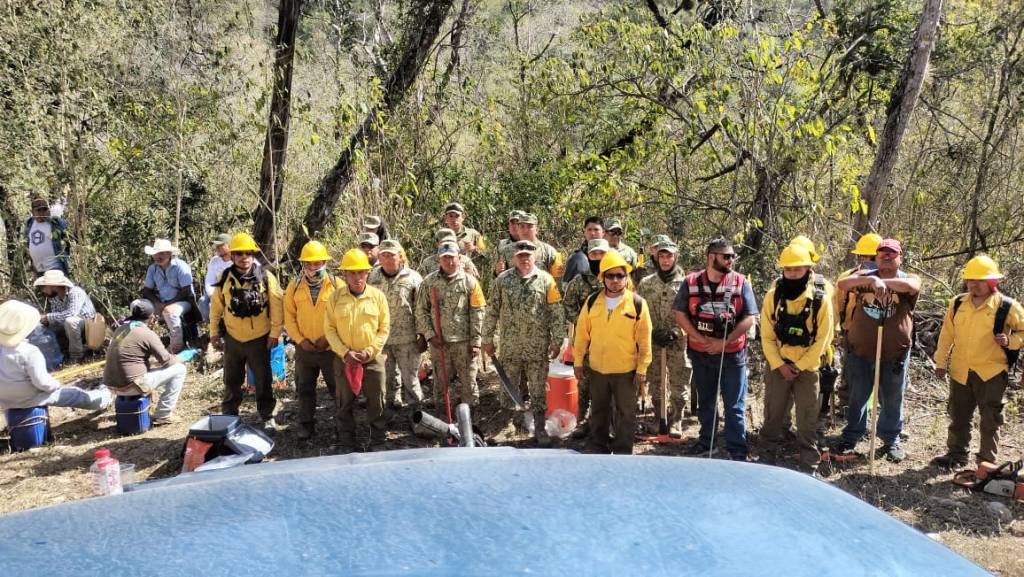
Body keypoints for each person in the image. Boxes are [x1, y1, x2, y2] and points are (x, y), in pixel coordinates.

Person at [931, 255, 1024, 468]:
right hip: (960, 370)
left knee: (990, 419)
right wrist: (940, 362)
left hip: (991, 372)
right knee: (958, 417)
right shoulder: (957, 303)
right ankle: (956, 455)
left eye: (980, 280)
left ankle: (986, 463)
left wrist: (1010, 340)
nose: (974, 284)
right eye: (971, 279)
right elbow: (947, 335)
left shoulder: (1007, 306)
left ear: (992, 282)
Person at [832, 239, 920, 462]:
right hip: (860, 351)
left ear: (900, 258)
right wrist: (872, 280)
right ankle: (851, 438)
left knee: (892, 399)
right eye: (882, 255)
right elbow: (842, 284)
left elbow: (912, 287)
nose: (887, 258)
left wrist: (885, 284)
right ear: (876, 257)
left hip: (895, 353)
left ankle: (891, 441)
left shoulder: (908, 279)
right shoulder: (864, 278)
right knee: (857, 396)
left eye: (892, 255)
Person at [673, 238, 759, 460]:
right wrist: (698, 338)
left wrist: (725, 341)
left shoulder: (741, 283)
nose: (730, 260)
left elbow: (750, 317)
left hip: (732, 355)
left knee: (734, 405)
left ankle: (737, 449)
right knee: (706, 401)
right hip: (701, 354)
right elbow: (680, 313)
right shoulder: (690, 282)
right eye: (726, 256)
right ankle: (707, 443)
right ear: (711, 257)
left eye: (732, 256)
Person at [482, 240, 565, 445]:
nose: (525, 258)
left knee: (537, 388)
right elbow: (492, 310)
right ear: (514, 258)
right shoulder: (502, 280)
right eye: (520, 255)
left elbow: (556, 311)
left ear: (534, 256)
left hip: (537, 347)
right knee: (508, 385)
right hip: (510, 346)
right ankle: (508, 424)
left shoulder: (546, 281)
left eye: (528, 255)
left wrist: (558, 340)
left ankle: (539, 428)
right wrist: (486, 338)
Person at [760, 245, 833, 473]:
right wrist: (780, 365)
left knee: (807, 419)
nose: (792, 273)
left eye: (797, 269)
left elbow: (823, 339)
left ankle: (809, 465)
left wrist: (799, 366)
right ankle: (765, 460)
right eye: (788, 269)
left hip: (808, 370)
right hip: (778, 366)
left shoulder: (821, 300)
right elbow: (767, 335)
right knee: (773, 416)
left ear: (808, 269)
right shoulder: (773, 296)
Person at [572, 251, 652, 454]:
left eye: (620, 275)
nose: (615, 280)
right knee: (599, 411)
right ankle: (598, 447)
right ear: (603, 278)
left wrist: (642, 369)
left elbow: (644, 340)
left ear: (626, 277)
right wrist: (578, 362)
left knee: (626, 413)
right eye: (610, 276)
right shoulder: (592, 302)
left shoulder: (637, 303)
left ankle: (623, 450)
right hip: (598, 369)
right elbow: (581, 335)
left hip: (627, 371)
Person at [209, 233, 284, 433]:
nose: (244, 257)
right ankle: (230, 415)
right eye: (239, 253)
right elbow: (216, 307)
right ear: (232, 256)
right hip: (233, 338)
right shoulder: (223, 278)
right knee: (232, 379)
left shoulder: (266, 278)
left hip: (260, 338)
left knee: (263, 379)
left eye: (248, 253)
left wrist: (275, 333)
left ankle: (267, 416)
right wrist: (214, 332)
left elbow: (277, 306)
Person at [324, 249, 391, 453]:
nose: (356, 277)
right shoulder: (335, 298)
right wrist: (344, 352)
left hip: (372, 358)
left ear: (367, 273)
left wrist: (370, 351)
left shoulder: (377, 297)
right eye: (351, 273)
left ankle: (378, 439)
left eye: (361, 272)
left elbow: (384, 328)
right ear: (345, 274)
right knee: (344, 402)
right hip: (344, 359)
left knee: (377, 400)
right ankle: (346, 440)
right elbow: (329, 329)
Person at [0, 300, 110, 412]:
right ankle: (105, 397)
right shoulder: (30, 351)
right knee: (75, 395)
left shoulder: (2, 349)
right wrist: (56, 385)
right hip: (31, 398)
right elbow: (42, 383)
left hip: (5, 401)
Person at [416, 241, 487, 410]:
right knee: (440, 384)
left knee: (469, 383)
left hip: (464, 343)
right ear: (439, 260)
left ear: (459, 258)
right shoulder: (429, 282)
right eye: (445, 258)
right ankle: (443, 420)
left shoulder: (470, 282)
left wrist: (476, 341)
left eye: (452, 257)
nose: (449, 262)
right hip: (440, 344)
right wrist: (430, 335)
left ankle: (471, 422)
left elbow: (478, 312)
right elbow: (420, 310)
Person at [284, 240, 342, 440]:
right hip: (304, 349)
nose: (312, 268)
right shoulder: (294, 286)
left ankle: (343, 425)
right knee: (304, 388)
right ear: (303, 265)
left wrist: (328, 338)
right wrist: (300, 340)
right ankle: (306, 425)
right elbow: (289, 317)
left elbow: (344, 316)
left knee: (338, 390)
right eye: (308, 264)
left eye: (317, 263)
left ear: (324, 262)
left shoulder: (337, 285)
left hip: (331, 349)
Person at [637, 239, 690, 438]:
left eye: (669, 256)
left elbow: (691, 312)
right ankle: (660, 417)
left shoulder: (686, 283)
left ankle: (676, 419)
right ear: (656, 257)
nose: (665, 260)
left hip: (677, 341)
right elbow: (639, 311)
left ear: (676, 257)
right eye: (661, 256)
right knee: (655, 380)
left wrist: (678, 331)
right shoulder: (646, 283)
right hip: (653, 340)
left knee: (679, 381)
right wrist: (650, 332)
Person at [103, 299, 187, 425]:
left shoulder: (120, 330)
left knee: (148, 370)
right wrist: (185, 356)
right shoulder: (147, 333)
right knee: (180, 369)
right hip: (131, 386)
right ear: (151, 317)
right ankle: (163, 414)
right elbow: (168, 361)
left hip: (111, 387)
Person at [368, 239, 425, 410]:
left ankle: (417, 415)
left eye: (391, 255)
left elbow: (421, 309)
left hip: (407, 339)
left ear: (400, 257)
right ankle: (389, 412)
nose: (387, 259)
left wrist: (423, 335)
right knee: (387, 379)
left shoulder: (414, 278)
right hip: (381, 339)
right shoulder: (372, 277)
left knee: (411, 380)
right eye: (383, 255)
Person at [562, 238, 608, 437]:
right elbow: (567, 305)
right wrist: (581, 324)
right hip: (586, 342)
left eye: (601, 253)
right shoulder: (579, 281)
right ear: (588, 255)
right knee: (585, 384)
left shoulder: (615, 277)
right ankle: (582, 421)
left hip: (612, 341)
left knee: (608, 384)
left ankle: (605, 423)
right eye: (594, 254)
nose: (598, 257)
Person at [141, 238, 198, 353]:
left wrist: (168, 304)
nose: (158, 256)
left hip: (183, 302)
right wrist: (157, 303)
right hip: (162, 302)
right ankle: (142, 345)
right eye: (156, 253)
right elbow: (147, 290)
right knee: (139, 308)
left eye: (161, 253)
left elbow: (186, 290)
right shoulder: (153, 269)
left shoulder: (180, 266)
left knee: (170, 312)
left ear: (169, 253)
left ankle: (175, 347)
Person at [34, 269, 96, 363]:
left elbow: (72, 313)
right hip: (68, 324)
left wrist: (48, 317)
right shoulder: (54, 298)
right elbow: (57, 317)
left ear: (53, 286)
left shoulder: (75, 292)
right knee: (45, 328)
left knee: (71, 321)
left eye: (44, 286)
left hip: (88, 323)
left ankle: (77, 356)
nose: (43, 290)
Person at [497, 213, 564, 280]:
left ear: (537, 230)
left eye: (529, 226)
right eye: (522, 226)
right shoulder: (506, 251)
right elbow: (498, 281)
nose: (525, 230)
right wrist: (497, 272)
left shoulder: (550, 251)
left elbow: (558, 281)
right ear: (518, 229)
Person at [24, 197, 72, 274]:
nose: (42, 212)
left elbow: (68, 241)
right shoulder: (29, 224)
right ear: (32, 212)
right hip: (38, 270)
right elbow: (27, 243)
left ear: (48, 210)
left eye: (44, 209)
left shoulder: (56, 223)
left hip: (56, 268)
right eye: (38, 210)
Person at [562, 216, 605, 285]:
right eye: (589, 230)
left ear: (603, 233)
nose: (592, 233)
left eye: (596, 230)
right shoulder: (577, 258)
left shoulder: (611, 254)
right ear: (584, 232)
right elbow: (566, 286)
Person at [200, 233, 233, 322]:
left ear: (229, 245)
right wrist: (212, 295)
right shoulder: (215, 260)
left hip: (231, 293)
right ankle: (214, 326)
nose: (217, 248)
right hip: (216, 291)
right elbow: (209, 280)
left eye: (220, 245)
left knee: (213, 306)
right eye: (216, 245)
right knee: (202, 302)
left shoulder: (237, 259)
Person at [492, 210, 523, 276]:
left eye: (518, 223)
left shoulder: (532, 245)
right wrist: (496, 272)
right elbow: (493, 274)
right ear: (508, 226)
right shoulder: (500, 245)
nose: (514, 226)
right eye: (512, 223)